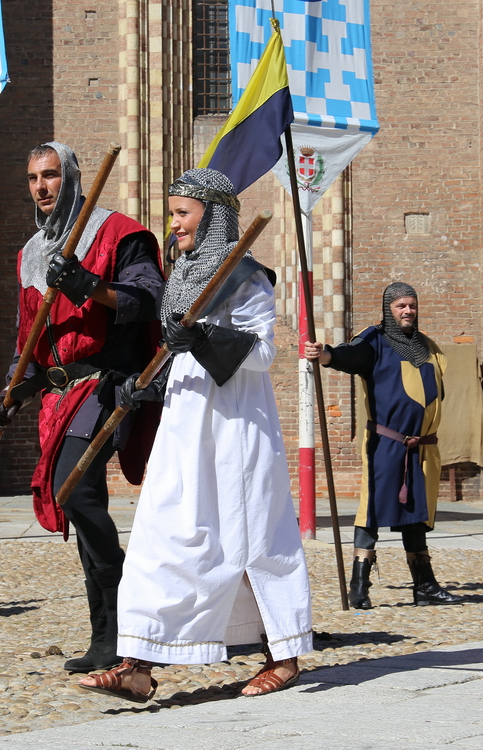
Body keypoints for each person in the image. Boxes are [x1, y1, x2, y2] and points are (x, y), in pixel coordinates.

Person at [78, 168, 312, 703]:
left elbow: (263, 353)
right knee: (164, 534)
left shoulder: (246, 276)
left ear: (213, 215)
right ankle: (138, 663)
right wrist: (148, 386)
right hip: (184, 423)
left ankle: (285, 654)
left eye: (183, 213)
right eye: (174, 213)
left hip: (235, 426)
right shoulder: (182, 274)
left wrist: (204, 334)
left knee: (249, 535)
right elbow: (174, 353)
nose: (174, 223)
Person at [0, 142, 163, 674]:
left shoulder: (120, 233)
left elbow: (145, 300)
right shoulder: (30, 253)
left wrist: (89, 283)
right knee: (78, 502)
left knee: (75, 489)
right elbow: (30, 336)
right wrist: (13, 391)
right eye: (32, 178)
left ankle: (130, 609)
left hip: (109, 382)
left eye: (49, 176)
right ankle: (106, 636)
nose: (41, 187)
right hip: (57, 394)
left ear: (71, 178)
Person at [304, 283, 464, 608]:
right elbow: (350, 355)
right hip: (386, 443)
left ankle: (425, 586)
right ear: (388, 309)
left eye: (412, 306)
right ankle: (359, 586)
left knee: (415, 512)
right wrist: (326, 355)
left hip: (421, 448)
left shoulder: (427, 347)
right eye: (401, 306)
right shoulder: (375, 341)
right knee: (372, 510)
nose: (407, 311)